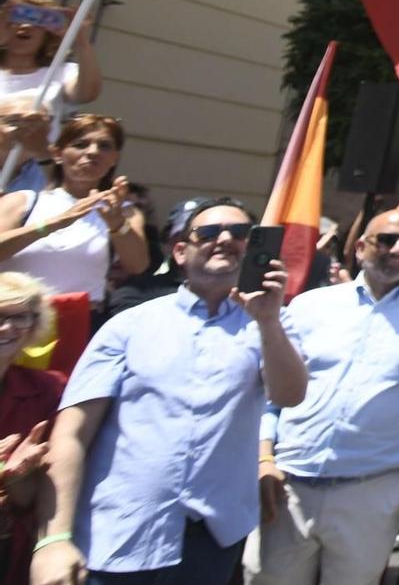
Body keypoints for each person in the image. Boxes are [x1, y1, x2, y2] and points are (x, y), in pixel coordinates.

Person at [34, 198, 305, 585]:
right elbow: (73, 432)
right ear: (180, 251)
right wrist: (54, 540)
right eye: (209, 232)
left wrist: (267, 321)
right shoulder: (129, 325)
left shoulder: (271, 324)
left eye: (242, 234)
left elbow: (289, 395)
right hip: (119, 534)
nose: (225, 239)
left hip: (210, 540)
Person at [246, 209, 399, 585]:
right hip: (289, 485)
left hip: (371, 491)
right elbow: (268, 392)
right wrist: (263, 457)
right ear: (360, 248)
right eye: (387, 240)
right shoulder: (310, 306)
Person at [0, 116, 148, 370]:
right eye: (80, 144)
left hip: (78, 326)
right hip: (14, 323)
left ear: (114, 158)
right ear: (58, 153)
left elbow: (138, 265)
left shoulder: (124, 211)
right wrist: (54, 223)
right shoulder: (24, 201)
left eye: (104, 146)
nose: (92, 152)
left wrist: (116, 223)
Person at [0, 0, 101, 198]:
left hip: (27, 177)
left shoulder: (60, 72)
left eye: (37, 20)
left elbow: (87, 93)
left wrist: (80, 39)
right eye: (17, 18)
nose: (25, 25)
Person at [0, 273, 63, 585]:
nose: (8, 328)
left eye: (20, 316)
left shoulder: (49, 389)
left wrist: (17, 480)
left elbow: (34, 498)